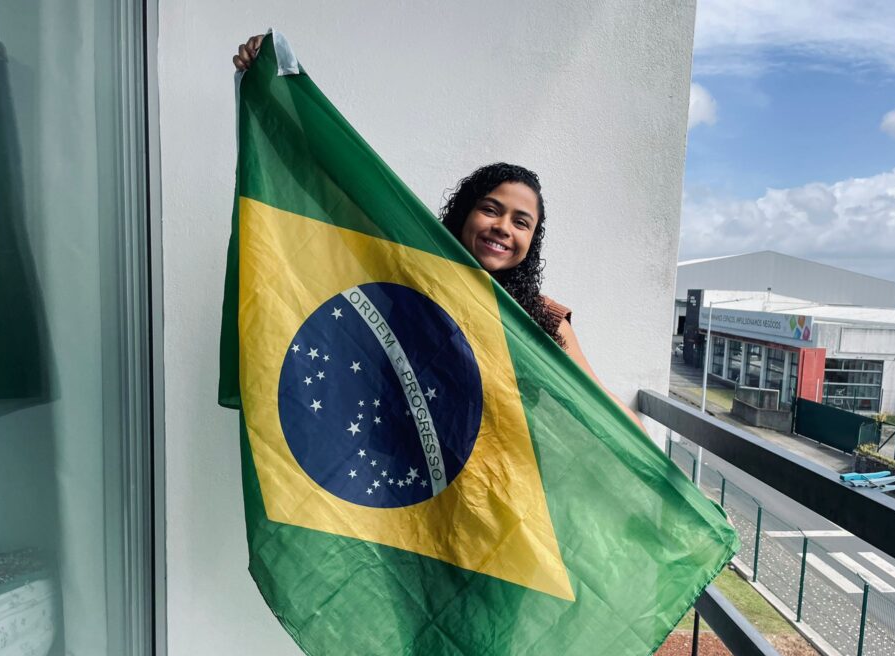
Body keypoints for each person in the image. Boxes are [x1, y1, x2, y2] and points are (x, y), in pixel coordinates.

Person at [232, 36, 644, 429]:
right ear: (465, 215)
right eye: (490, 210)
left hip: (497, 478)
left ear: (531, 242)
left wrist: (653, 457)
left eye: (521, 222)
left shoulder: (543, 319)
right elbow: (338, 188)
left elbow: (597, 406)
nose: (503, 227)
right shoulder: (412, 280)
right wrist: (272, 88)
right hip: (406, 470)